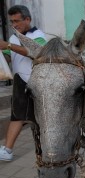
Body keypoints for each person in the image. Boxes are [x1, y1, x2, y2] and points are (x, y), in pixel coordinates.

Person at [0, 5, 47, 161]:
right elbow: (10, 55)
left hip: (34, 82)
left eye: (17, 21)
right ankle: (8, 150)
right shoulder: (14, 37)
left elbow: (36, 52)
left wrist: (6, 45)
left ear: (27, 19)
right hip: (20, 82)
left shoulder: (38, 35)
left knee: (26, 117)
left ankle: (8, 150)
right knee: (19, 116)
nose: (14, 25)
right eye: (11, 21)